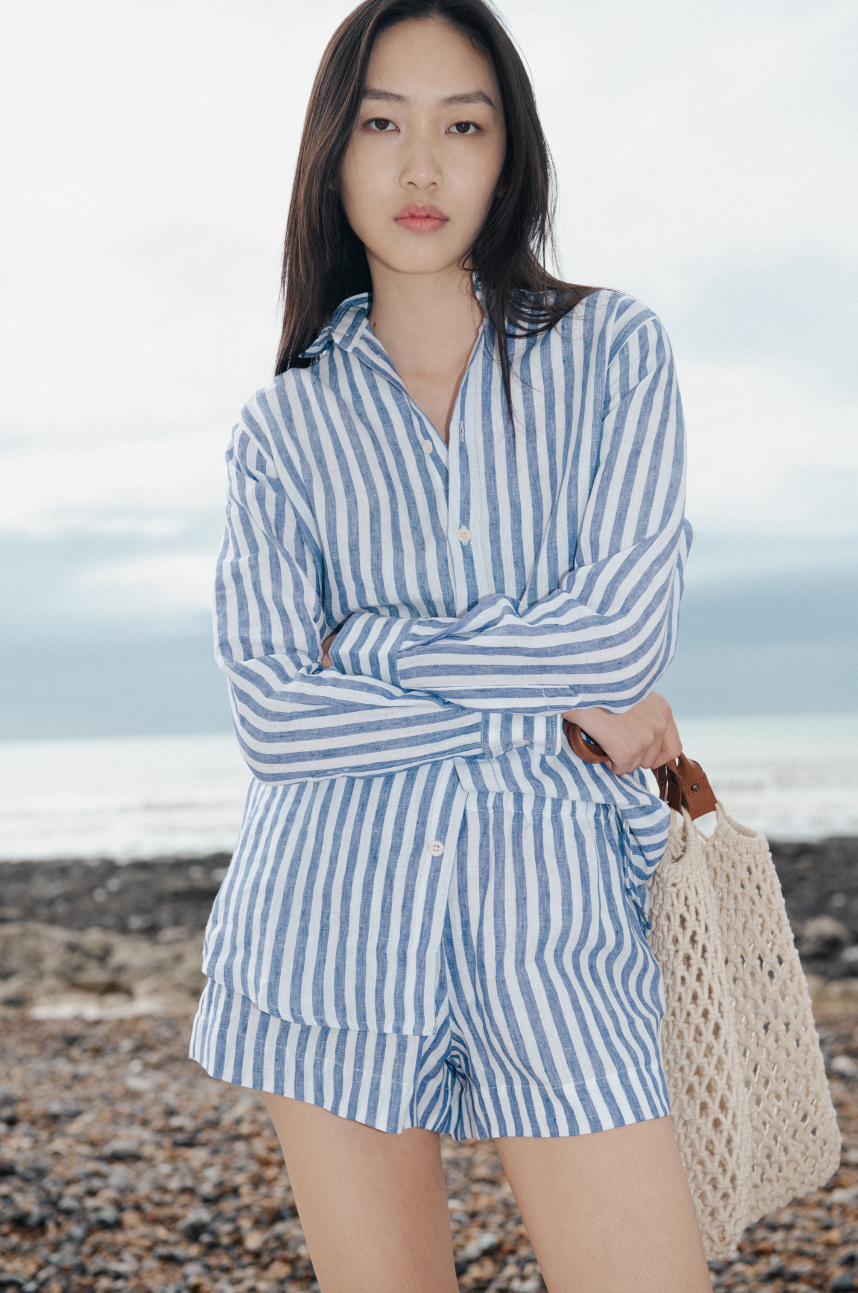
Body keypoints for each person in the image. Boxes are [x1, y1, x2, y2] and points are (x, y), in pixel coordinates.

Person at [189, 0, 711, 1288]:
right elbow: (273, 717)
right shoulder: (284, 431)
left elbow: (625, 632)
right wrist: (554, 700)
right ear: (334, 152)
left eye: (462, 125)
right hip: (326, 931)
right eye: (382, 123)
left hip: (561, 927)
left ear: (508, 152)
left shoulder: (613, 355)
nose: (422, 167)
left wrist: (364, 646)